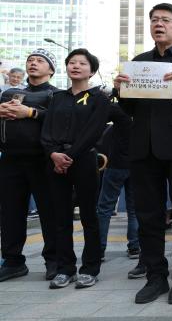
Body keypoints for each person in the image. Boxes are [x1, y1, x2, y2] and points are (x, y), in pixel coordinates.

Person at [113, 3, 172, 304]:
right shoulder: (139, 62)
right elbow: (128, 110)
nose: (159, 24)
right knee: (148, 215)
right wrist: (119, 91)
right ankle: (156, 276)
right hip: (144, 149)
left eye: (165, 20)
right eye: (154, 20)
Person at [41, 48, 110, 289]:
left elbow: (93, 131)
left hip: (83, 161)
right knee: (60, 218)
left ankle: (90, 268)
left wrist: (68, 156)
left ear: (92, 70)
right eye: (71, 62)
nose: (76, 66)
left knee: (89, 217)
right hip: (56, 161)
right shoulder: (57, 97)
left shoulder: (100, 98)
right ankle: (65, 268)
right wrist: (53, 154)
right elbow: (46, 131)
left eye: (82, 63)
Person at [0, 49, 60, 282]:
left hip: (42, 160)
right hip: (10, 159)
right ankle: (13, 261)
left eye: (40, 61)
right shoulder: (10, 93)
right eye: (30, 60)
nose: (33, 63)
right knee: (10, 213)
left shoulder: (57, 95)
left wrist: (31, 112)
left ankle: (54, 260)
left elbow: (62, 119)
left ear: (51, 70)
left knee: (49, 212)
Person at [95, 94, 139, 263]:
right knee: (134, 209)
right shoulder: (145, 108)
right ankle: (134, 246)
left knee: (105, 208)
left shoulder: (119, 108)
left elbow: (100, 113)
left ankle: (99, 249)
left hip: (116, 164)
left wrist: (111, 94)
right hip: (137, 164)